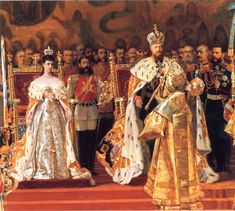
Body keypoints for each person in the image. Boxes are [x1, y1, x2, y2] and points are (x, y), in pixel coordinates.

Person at [97, 25, 184, 184]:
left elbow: (180, 85)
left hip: (168, 108)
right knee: (151, 139)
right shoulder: (142, 66)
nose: (158, 48)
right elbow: (133, 88)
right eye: (155, 46)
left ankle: (169, 168)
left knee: (168, 138)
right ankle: (152, 168)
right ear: (150, 47)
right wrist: (135, 97)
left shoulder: (171, 65)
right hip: (148, 109)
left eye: (160, 46)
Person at [9, 48, 94, 184]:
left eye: (51, 64)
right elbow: (32, 102)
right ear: (43, 65)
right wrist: (34, 109)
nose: (49, 66)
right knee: (42, 141)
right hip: (41, 116)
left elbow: (64, 101)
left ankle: (59, 169)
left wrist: (67, 111)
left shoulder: (57, 82)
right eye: (47, 64)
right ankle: (41, 169)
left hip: (56, 115)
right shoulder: (37, 83)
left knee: (58, 140)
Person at [139, 62, 204, 210]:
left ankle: (174, 199)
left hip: (170, 143)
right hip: (182, 143)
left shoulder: (173, 100)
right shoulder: (183, 99)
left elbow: (154, 121)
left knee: (171, 168)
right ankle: (184, 199)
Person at [67, 55, 100, 175]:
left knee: (91, 139)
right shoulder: (73, 79)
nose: (86, 65)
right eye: (83, 63)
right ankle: (83, 167)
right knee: (82, 140)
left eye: (87, 62)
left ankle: (91, 167)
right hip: (80, 110)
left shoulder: (96, 79)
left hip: (92, 109)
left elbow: (98, 96)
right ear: (79, 65)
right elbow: (69, 95)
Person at [204, 45, 232, 172]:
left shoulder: (229, 69)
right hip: (210, 105)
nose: (214, 54)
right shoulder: (206, 69)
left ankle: (223, 164)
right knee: (211, 134)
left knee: (224, 135)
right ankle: (212, 163)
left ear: (222, 53)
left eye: (217, 52)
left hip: (223, 105)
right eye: (213, 52)